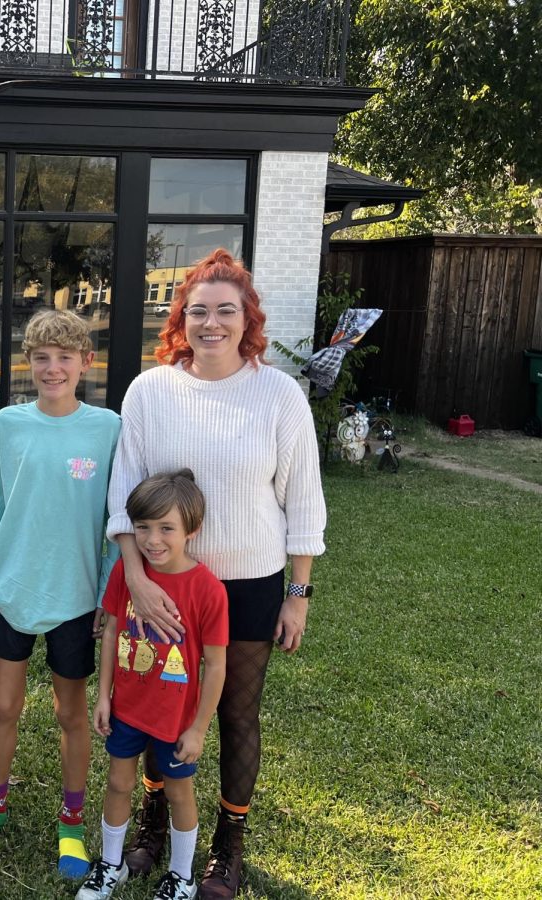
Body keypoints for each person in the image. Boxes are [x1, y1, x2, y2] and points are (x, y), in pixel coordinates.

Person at [106, 249, 326, 898]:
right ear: (181, 318)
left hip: (251, 583)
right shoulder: (151, 390)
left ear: (247, 318)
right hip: (163, 583)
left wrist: (299, 595)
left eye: (225, 310)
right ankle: (151, 818)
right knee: (155, 703)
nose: (211, 323)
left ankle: (228, 843)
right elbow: (124, 494)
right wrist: (136, 580)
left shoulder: (278, 394)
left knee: (234, 713)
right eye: (198, 310)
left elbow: (304, 500)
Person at [0, 309, 121, 879]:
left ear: (85, 363)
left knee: (71, 713)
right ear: (29, 363)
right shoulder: (9, 423)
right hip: (15, 587)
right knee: (4, 705)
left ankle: (71, 826)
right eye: (42, 358)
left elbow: (115, 521)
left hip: (76, 595)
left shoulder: (107, 429)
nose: (52, 368)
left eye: (64, 357)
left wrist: (106, 593)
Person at [78, 470, 227, 900]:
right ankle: (110, 865)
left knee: (180, 793)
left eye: (166, 528)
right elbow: (109, 633)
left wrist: (198, 728)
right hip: (127, 709)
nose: (152, 540)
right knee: (119, 783)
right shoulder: (128, 576)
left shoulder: (208, 590)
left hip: (176, 720)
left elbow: (215, 665)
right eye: (142, 527)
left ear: (191, 531)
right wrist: (103, 695)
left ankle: (182, 876)